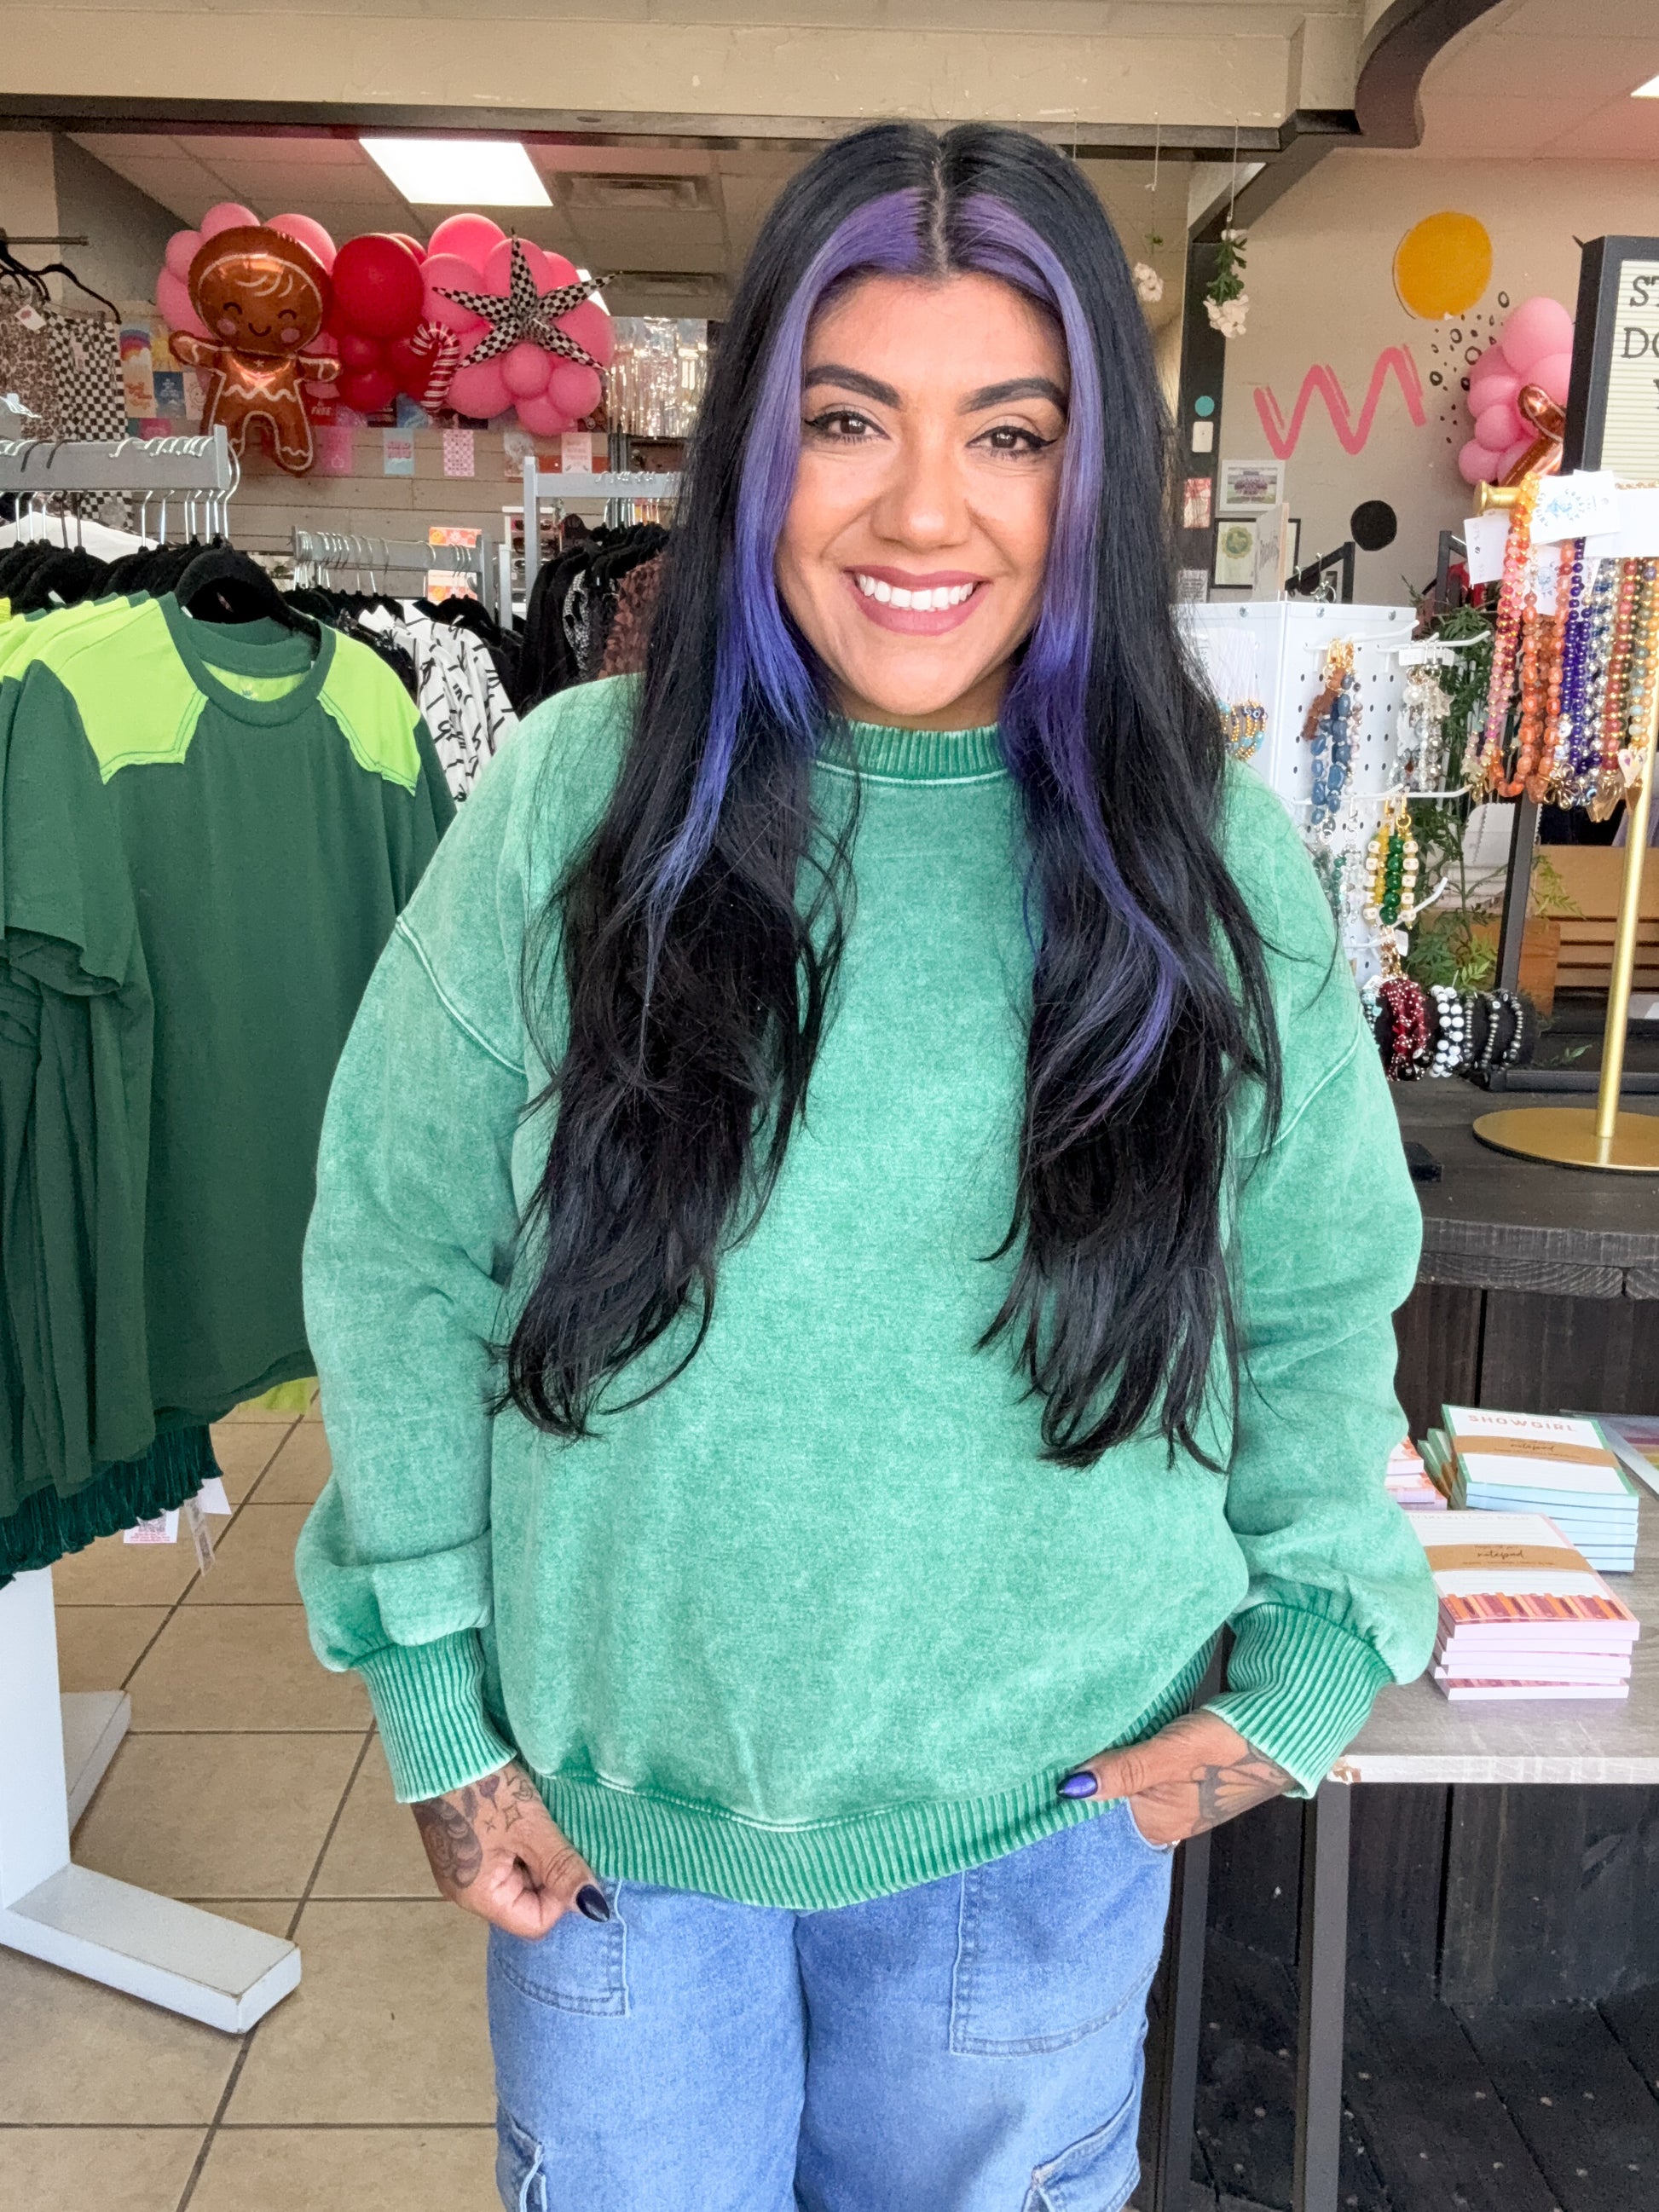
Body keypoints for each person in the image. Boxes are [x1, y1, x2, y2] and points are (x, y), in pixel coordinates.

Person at [296, 120, 1436, 2212]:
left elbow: (1312, 1283)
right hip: (617, 1831)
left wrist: (1315, 1646)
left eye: (1010, 433)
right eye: (846, 421)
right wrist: (438, 1695)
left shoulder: (1205, 859)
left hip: (1041, 1820)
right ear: (754, 450)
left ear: (1094, 479)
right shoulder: (569, 804)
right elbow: (397, 1252)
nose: (924, 510)